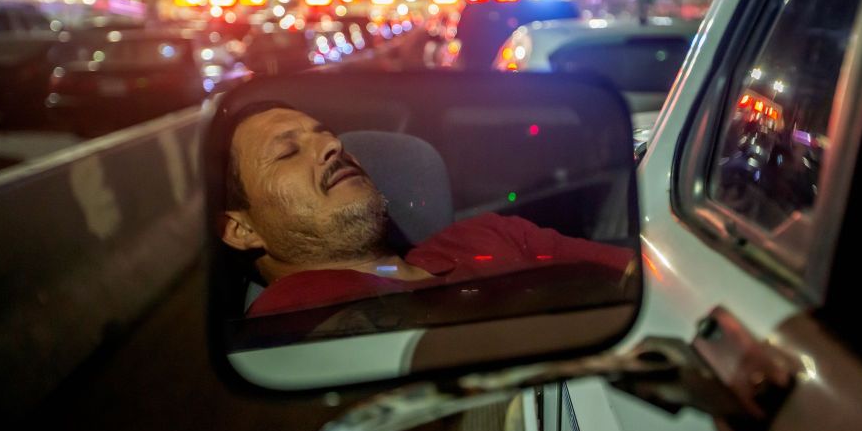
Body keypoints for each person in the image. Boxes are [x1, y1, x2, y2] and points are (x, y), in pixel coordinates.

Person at [222, 104, 633, 317]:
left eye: (327, 135)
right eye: (287, 152)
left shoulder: (490, 235)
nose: (334, 146)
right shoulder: (290, 311)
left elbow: (646, 278)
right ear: (242, 229)